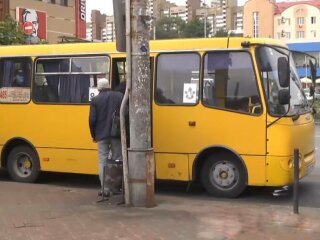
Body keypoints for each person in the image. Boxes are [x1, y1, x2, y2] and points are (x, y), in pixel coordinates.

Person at [89, 78, 123, 197]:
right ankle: (115, 187)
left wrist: (94, 135)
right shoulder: (119, 96)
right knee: (117, 159)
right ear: (109, 86)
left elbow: (92, 120)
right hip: (116, 134)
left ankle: (105, 188)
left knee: (102, 160)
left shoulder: (95, 100)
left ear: (98, 88)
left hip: (101, 135)